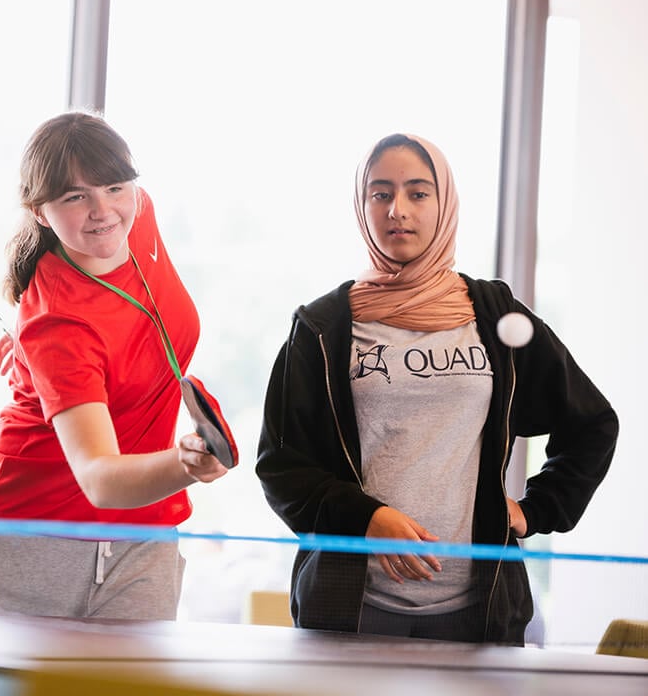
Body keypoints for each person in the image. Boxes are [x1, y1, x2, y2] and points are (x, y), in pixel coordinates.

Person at [255, 133, 618, 645]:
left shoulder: (495, 314)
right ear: (362, 207)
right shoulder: (321, 327)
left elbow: (592, 422)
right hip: (352, 607)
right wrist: (368, 518)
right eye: (380, 193)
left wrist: (535, 509)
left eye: (418, 193)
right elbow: (281, 468)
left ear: (444, 203)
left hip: (480, 609)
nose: (397, 210)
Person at [0, 111, 229, 620]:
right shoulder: (56, 324)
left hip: (143, 533)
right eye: (75, 197)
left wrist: (26, 359)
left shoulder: (137, 216)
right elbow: (99, 478)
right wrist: (186, 464)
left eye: (115, 187)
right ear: (40, 211)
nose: (103, 210)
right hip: (29, 537)